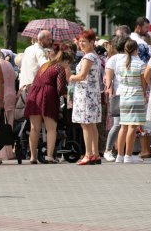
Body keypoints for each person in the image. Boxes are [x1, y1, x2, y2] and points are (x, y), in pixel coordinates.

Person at [24, 50, 73, 164]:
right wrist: (68, 97)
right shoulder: (59, 68)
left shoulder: (45, 65)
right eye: (68, 64)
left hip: (34, 93)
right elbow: (60, 88)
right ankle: (49, 156)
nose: (68, 67)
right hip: (47, 95)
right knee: (51, 128)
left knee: (34, 128)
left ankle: (32, 156)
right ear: (65, 61)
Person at [69, 30, 103, 165]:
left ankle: (88, 154)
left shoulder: (88, 57)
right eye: (80, 41)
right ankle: (94, 154)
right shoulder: (94, 56)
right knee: (91, 125)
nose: (81, 44)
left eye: (84, 41)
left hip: (86, 94)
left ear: (92, 42)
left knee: (86, 125)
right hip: (92, 93)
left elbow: (82, 76)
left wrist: (71, 77)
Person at [115, 40, 146, 164]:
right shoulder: (140, 64)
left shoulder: (120, 63)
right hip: (136, 95)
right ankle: (128, 155)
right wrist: (144, 94)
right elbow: (144, 84)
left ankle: (119, 155)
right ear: (136, 49)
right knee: (132, 127)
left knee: (123, 126)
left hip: (123, 95)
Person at [103, 36, 128, 162]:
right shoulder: (113, 59)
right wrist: (111, 94)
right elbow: (108, 79)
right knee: (117, 124)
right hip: (118, 95)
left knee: (127, 125)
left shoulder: (131, 57)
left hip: (129, 93)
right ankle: (108, 150)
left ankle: (123, 152)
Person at [0, 45, 17, 160]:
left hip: (2, 94)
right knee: (9, 124)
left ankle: (1, 153)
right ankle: (9, 151)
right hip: (12, 94)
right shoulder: (9, 64)